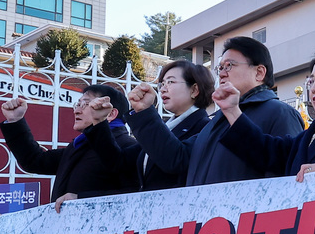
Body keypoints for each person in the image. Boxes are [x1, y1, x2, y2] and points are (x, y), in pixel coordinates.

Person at [127, 36, 303, 186]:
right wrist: (145, 112)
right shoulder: (219, 120)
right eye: (220, 68)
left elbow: (287, 176)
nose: (222, 73)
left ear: (259, 72)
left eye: (229, 65)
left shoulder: (280, 112)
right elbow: (176, 158)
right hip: (210, 223)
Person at [215, 43, 315, 180]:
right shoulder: (305, 139)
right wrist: (232, 110)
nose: (314, 88)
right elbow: (265, 151)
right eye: (311, 80)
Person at [0, 83, 139, 212]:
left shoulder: (127, 146)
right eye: (77, 104)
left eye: (86, 105)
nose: (77, 111)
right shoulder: (78, 145)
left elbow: (134, 197)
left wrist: (82, 199)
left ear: (110, 113)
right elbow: (35, 161)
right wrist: (15, 121)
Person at [87, 60, 213, 191]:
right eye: (162, 84)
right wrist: (99, 122)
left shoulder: (206, 128)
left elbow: (174, 160)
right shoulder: (166, 128)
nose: (163, 89)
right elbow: (119, 162)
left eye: (170, 82)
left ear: (194, 90)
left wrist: (144, 112)